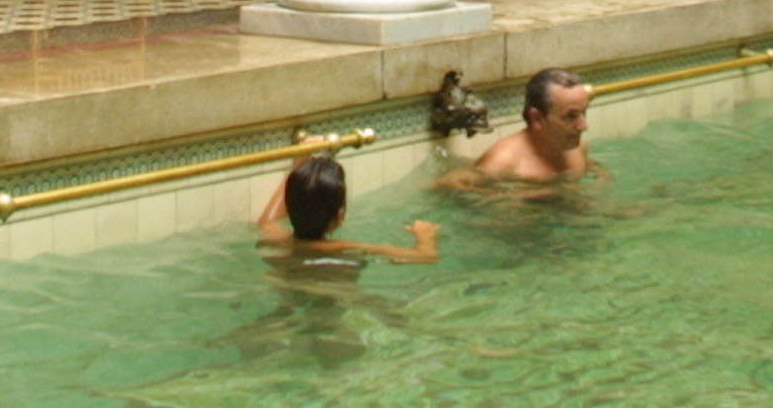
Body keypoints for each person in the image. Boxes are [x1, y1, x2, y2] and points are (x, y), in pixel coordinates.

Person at [255, 153, 439, 264]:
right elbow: (425, 257)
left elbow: (267, 220)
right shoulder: (343, 249)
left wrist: (298, 165)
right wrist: (425, 235)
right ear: (339, 216)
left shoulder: (278, 240)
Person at [444, 67, 597, 190]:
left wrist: (601, 176)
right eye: (570, 116)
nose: (583, 126)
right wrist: (500, 197)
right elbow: (447, 184)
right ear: (537, 118)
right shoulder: (503, 162)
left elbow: (590, 165)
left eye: (584, 112)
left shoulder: (576, 147)